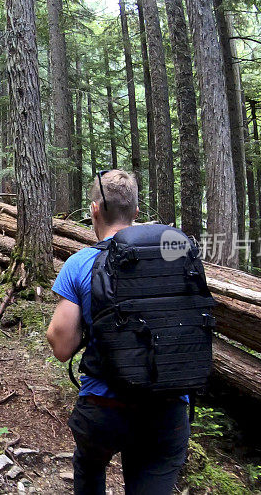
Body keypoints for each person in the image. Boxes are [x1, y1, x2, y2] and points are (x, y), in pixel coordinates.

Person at [46, 170, 196, 495]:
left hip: (104, 409)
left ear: (94, 210)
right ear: (136, 214)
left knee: (89, 465)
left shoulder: (80, 263)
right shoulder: (175, 258)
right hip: (167, 409)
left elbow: (61, 346)